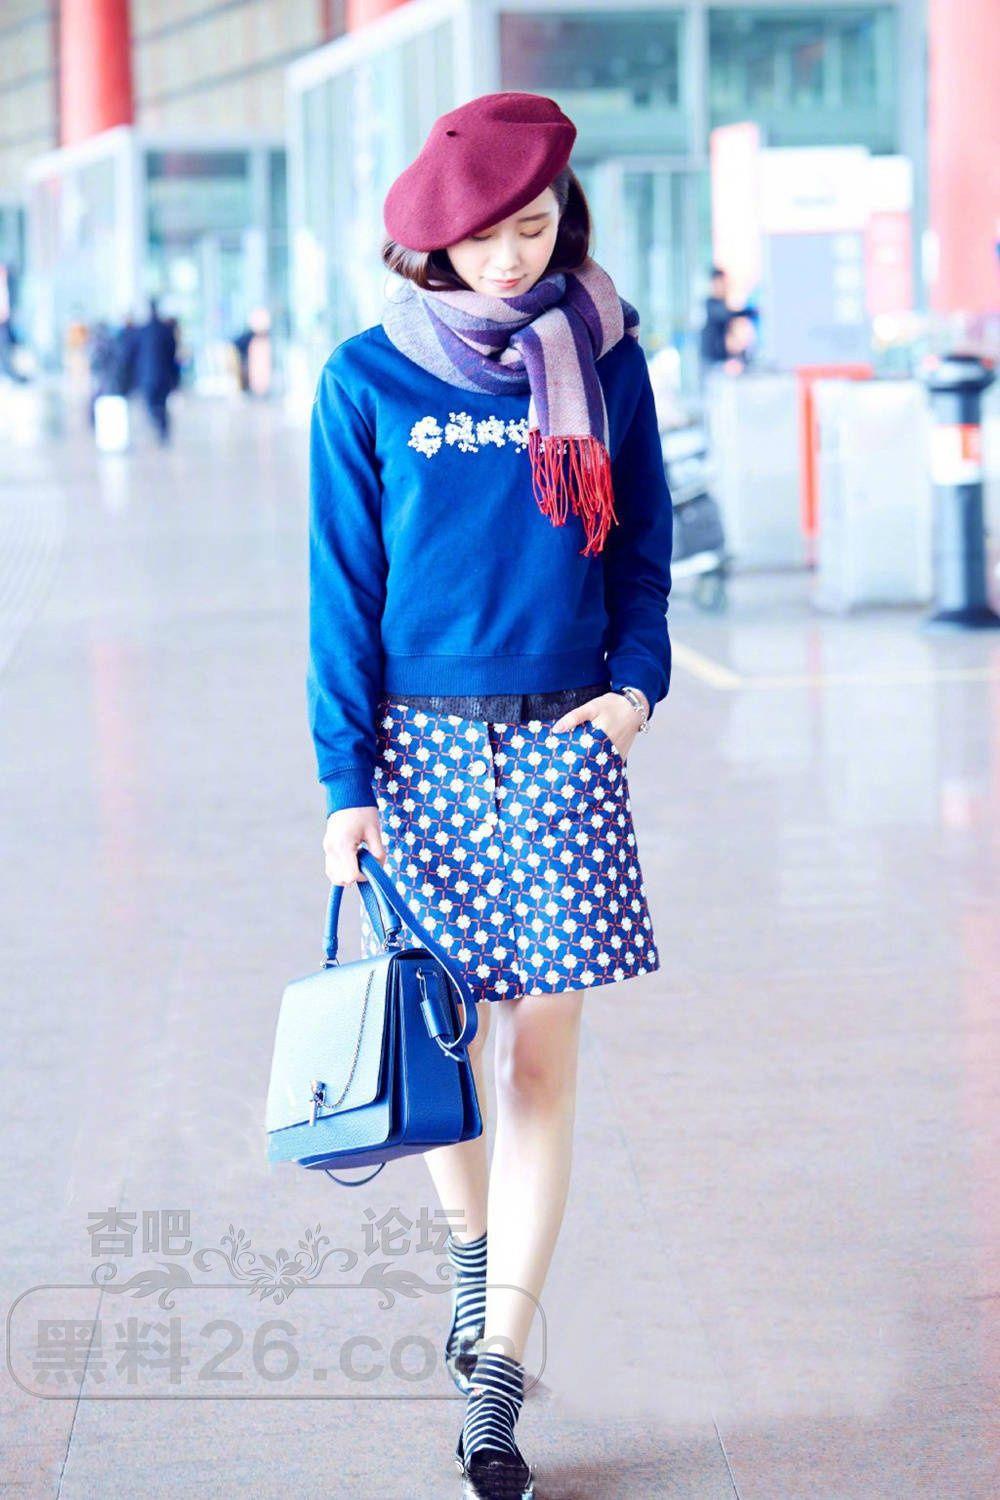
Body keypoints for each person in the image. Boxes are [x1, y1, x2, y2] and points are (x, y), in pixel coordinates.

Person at [308, 92, 672, 1500]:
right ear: (433, 246)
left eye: (533, 227)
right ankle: (473, 1255)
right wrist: (344, 780)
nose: (512, 259)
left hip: (565, 742)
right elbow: (342, 594)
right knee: (441, 1048)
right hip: (418, 756)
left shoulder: (609, 362)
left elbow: (641, 556)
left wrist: (632, 694)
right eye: (482, 239)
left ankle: (501, 1373)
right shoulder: (367, 380)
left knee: (536, 1065)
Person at [135, 300, 178, 443]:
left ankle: (160, 426)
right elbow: (173, 354)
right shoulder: (165, 330)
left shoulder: (143, 330)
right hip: (163, 375)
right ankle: (162, 428)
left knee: (152, 404)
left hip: (148, 375)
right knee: (160, 404)